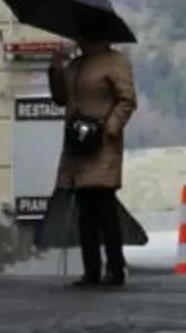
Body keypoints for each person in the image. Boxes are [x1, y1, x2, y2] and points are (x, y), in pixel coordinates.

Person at [48, 36, 138, 288]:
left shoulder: (115, 62)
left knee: (104, 204)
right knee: (85, 208)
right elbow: (60, 97)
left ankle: (115, 266)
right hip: (79, 142)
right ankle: (91, 269)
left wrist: (110, 128)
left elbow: (127, 99)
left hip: (103, 144)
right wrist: (56, 68)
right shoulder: (76, 65)